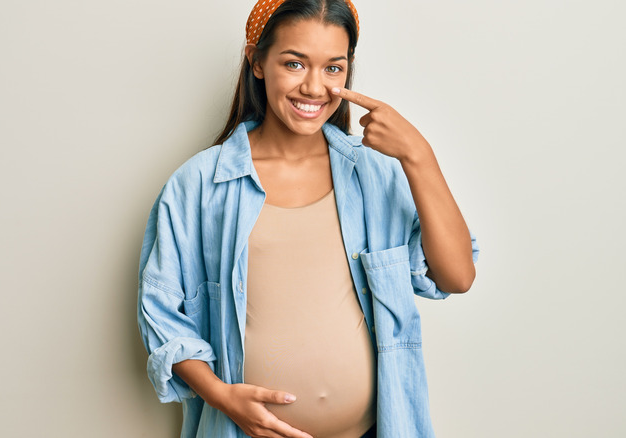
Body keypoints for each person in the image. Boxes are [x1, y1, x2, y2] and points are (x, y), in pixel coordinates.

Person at [137, 0, 479, 437]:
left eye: (333, 68)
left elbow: (457, 277)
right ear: (256, 61)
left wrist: (419, 156)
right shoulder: (201, 183)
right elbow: (162, 312)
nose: (315, 88)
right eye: (295, 63)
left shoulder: (374, 173)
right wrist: (221, 396)